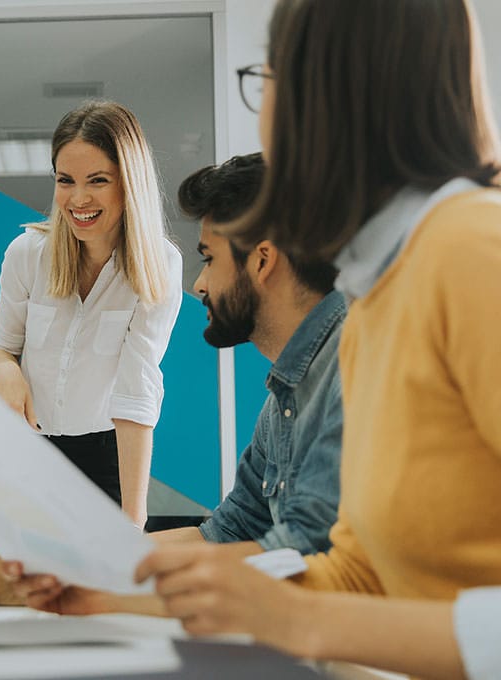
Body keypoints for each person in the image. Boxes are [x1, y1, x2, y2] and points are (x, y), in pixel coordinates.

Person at [127, 1, 501, 679]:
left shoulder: (473, 249)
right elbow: (355, 575)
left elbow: (319, 609)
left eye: (267, 80)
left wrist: (290, 616)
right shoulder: (375, 293)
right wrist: (92, 596)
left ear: (323, 96)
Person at [0, 153, 346, 606]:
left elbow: (306, 564)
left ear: (262, 262)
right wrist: (48, 563)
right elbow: (227, 533)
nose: (199, 284)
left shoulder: (354, 372)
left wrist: (54, 587)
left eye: (209, 259)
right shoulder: (288, 392)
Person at [0, 100, 182, 528]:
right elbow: (2, 347)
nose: (78, 199)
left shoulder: (158, 266)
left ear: (129, 184)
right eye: (65, 180)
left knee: (104, 584)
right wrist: (6, 372)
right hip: (29, 451)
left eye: (97, 180)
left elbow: (136, 393)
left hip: (106, 458)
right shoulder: (27, 254)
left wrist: (133, 520)